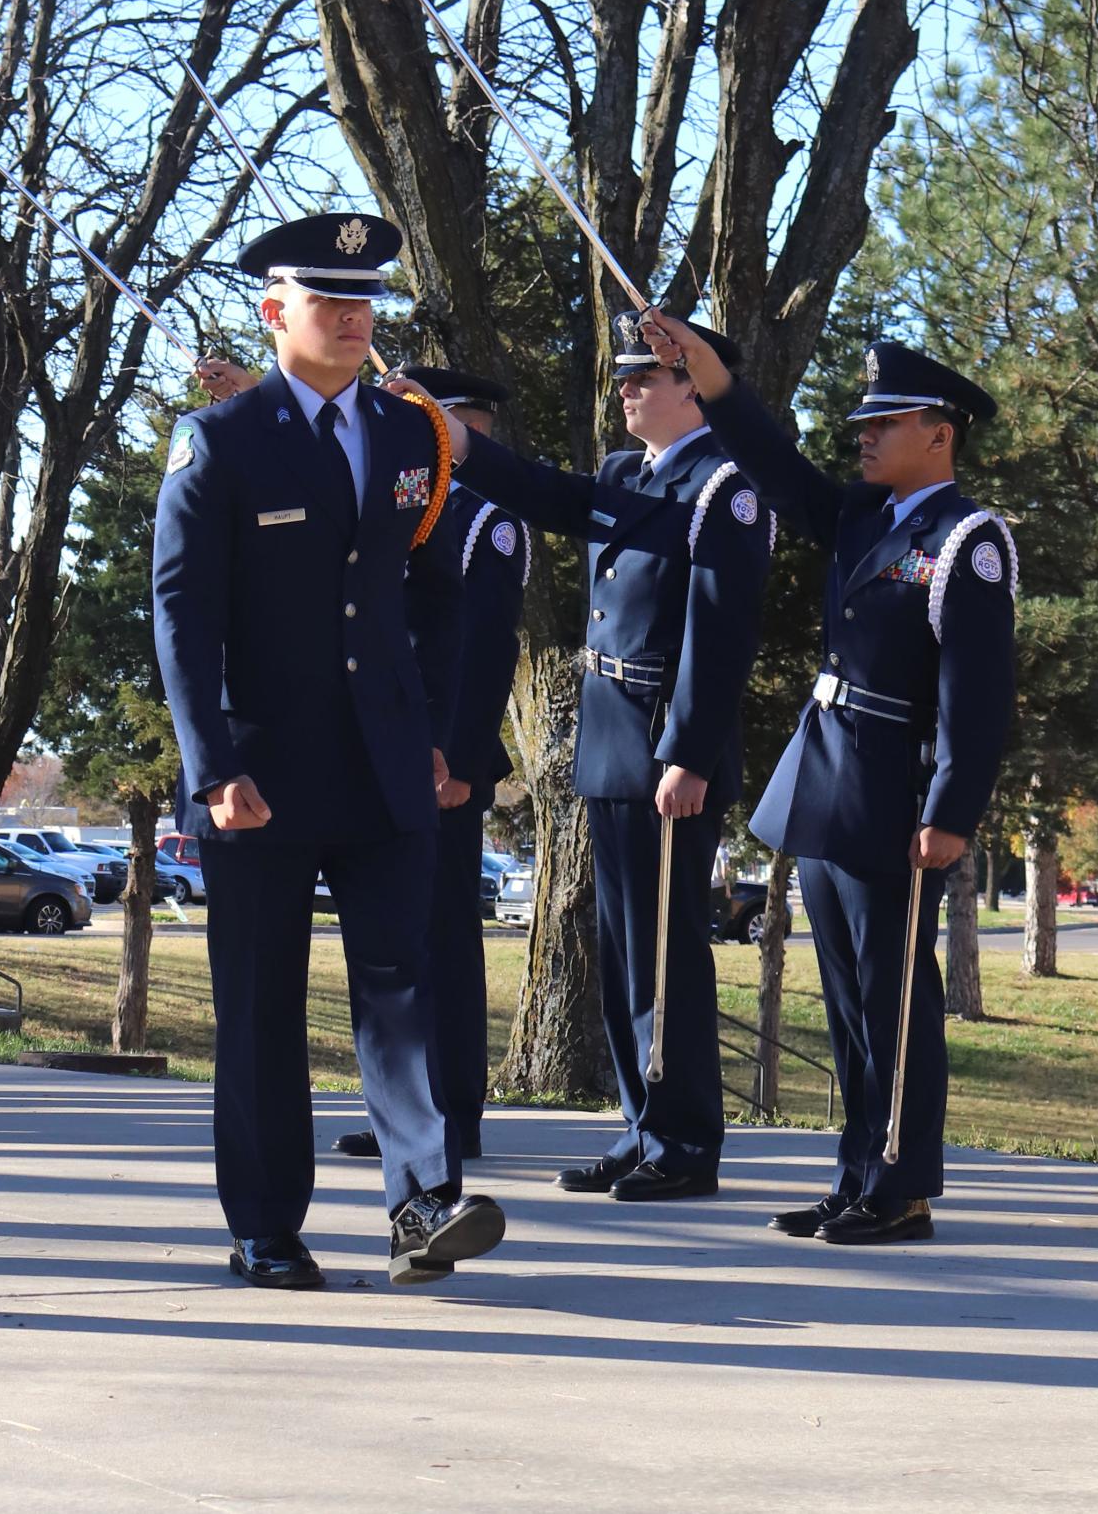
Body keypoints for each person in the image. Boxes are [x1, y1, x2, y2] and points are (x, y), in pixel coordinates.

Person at [153, 210, 503, 1290]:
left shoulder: (409, 433)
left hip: (388, 763)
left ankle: (421, 1207)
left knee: (401, 989)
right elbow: (181, 613)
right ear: (275, 312)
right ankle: (266, 1222)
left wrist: (446, 744)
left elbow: (439, 599)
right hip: (261, 773)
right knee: (261, 1002)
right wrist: (212, 764)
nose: (355, 319)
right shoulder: (222, 439)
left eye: (367, 302)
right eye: (331, 300)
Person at [644, 317, 1014, 1244]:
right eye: (862, 421)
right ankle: (857, 1172)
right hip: (828, 774)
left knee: (894, 995)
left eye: (884, 422)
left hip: (894, 789)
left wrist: (951, 813)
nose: (863, 434)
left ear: (940, 431)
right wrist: (708, 375)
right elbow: (773, 465)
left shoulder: (967, 538)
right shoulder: (859, 515)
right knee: (848, 997)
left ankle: (901, 1184)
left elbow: (977, 698)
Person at [438, 314, 771, 1202]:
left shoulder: (724, 487)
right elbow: (546, 495)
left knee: (669, 953)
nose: (624, 390)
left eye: (643, 378)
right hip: (610, 730)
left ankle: (687, 1140)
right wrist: (455, 440)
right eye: (621, 378)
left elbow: (721, 634)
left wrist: (690, 752)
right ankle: (642, 1123)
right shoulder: (632, 474)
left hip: (667, 739)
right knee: (624, 949)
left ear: (690, 386)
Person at [336, 369, 528, 1165]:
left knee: (444, 935)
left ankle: (453, 1112)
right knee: (397, 940)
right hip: (388, 751)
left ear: (462, 429)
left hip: (444, 762)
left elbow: (481, 655)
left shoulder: (485, 521)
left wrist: (462, 763)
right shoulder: (407, 508)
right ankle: (407, 1112)